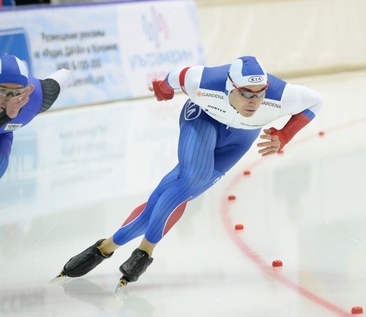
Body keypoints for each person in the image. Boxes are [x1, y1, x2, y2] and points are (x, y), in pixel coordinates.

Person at [58, 56, 323, 287]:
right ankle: (145, 251)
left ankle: (105, 247)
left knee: (181, 191)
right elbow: (177, 77)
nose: (254, 101)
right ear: (231, 85)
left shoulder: (281, 94)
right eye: (246, 93)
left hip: (239, 139)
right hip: (203, 120)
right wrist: (163, 88)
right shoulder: (205, 80)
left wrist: (286, 135)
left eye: (260, 93)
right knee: (192, 177)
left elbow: (315, 102)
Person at [0, 55, 71, 178]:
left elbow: (65, 74)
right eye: (2, 90)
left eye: (17, 93)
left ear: (27, 90)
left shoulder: (37, 98)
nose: (9, 100)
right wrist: (6, 116)